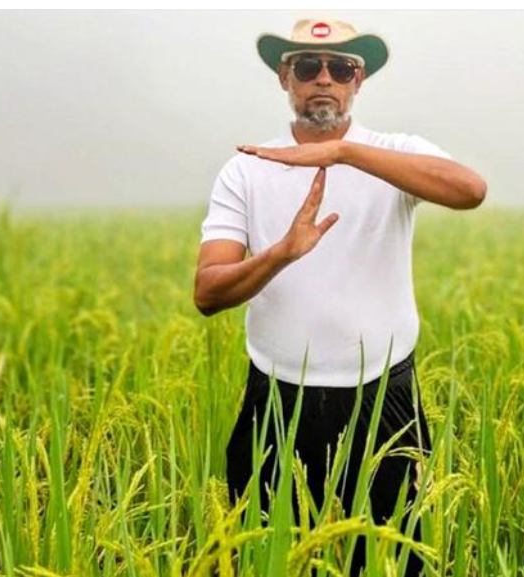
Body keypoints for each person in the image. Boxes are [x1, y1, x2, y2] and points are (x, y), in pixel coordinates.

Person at [193, 18, 486, 576]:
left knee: (394, 560)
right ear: (285, 78)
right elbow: (208, 292)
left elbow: (469, 190)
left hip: (383, 396)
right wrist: (280, 253)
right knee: (266, 558)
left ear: (359, 81)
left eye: (341, 68)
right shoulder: (246, 169)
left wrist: (344, 154)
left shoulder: (395, 154)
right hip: (277, 398)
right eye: (307, 66)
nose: (323, 78)